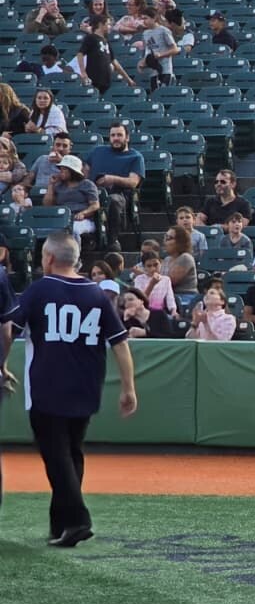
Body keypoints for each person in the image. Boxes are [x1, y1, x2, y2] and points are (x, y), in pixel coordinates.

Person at [3, 231, 137, 546]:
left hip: (48, 385)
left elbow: (9, 330)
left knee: (56, 455)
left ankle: (77, 520)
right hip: (87, 386)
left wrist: (1, 364)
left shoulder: (39, 290)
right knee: (72, 452)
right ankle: (60, 523)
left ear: (49, 258)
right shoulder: (96, 294)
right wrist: (128, 387)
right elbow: (120, 343)